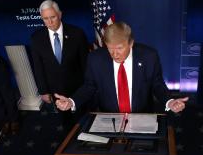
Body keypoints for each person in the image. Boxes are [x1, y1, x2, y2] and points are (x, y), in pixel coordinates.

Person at [54, 22, 188, 113]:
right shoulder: (95, 59)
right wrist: (72, 101)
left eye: (119, 48)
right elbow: (89, 86)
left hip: (141, 115)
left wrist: (169, 101)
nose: (114, 54)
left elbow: (157, 84)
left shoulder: (149, 56)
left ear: (131, 43)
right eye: (110, 48)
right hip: (109, 116)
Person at [30, 0, 89, 107]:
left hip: (78, 89)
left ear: (60, 15)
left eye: (53, 17)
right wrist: (43, 91)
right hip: (55, 92)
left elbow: (85, 63)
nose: (50, 22)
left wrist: (87, 87)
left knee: (83, 119)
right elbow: (38, 67)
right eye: (45, 19)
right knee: (65, 122)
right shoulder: (36, 38)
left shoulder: (77, 33)